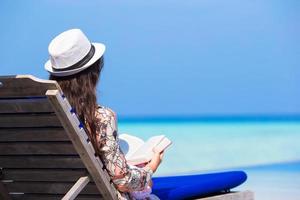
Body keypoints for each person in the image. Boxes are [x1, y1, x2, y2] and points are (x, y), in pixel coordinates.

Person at [44, 29, 163, 200]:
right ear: (93, 73)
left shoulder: (34, 115)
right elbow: (123, 180)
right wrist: (150, 168)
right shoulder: (100, 117)